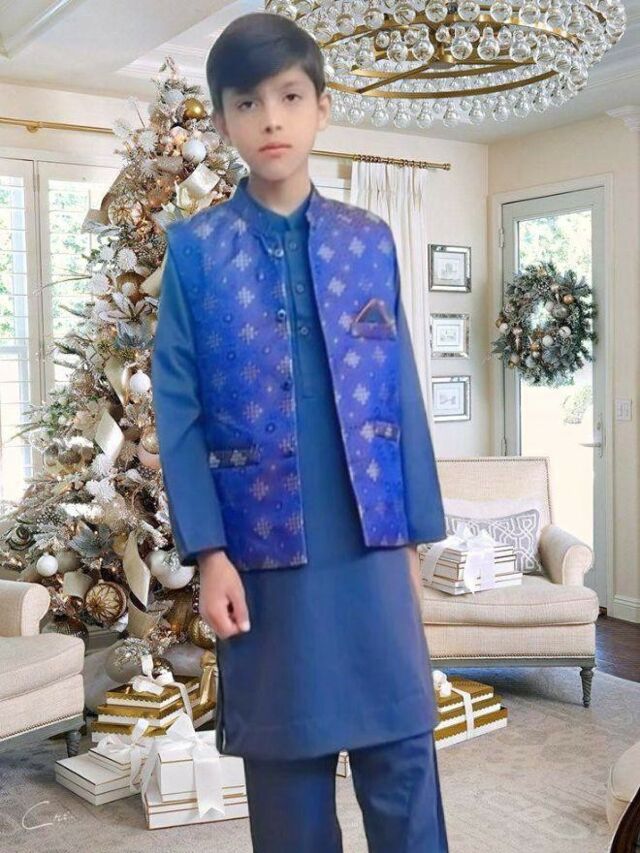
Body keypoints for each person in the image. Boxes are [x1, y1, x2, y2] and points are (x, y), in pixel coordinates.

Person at [151, 11, 449, 852]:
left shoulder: (369, 241)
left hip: (372, 546)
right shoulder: (196, 252)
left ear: (322, 107)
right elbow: (179, 410)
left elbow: (400, 390)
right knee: (288, 789)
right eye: (247, 103)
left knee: (404, 765)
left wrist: (414, 537)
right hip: (262, 556)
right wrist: (210, 553)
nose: (270, 120)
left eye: (288, 97)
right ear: (223, 122)